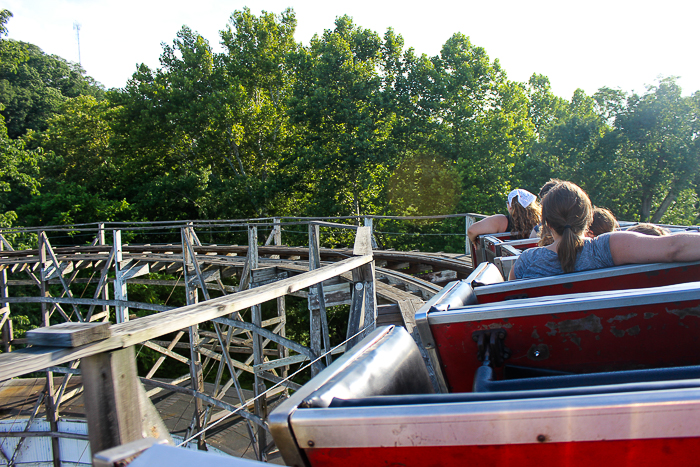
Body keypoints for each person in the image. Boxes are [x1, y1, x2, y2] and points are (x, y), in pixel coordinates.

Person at [510, 181, 700, 280]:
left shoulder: (526, 261)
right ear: (589, 219)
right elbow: (675, 248)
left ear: (547, 223)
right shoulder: (607, 247)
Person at [467, 189, 541, 250]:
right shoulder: (541, 221)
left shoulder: (501, 221)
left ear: (510, 206)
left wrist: (474, 241)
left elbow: (471, 230)